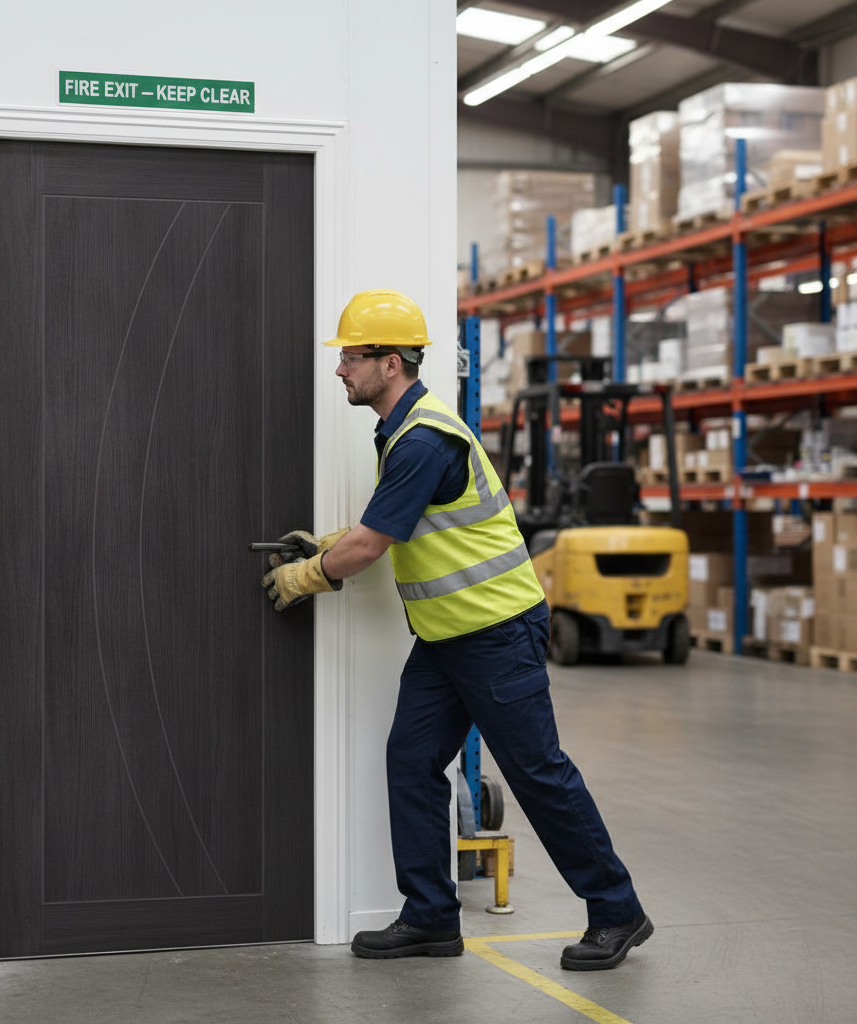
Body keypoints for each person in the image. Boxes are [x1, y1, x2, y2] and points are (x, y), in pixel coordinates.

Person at [260, 290, 652, 970]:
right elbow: (390, 526)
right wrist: (321, 545)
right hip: (447, 639)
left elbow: (372, 547)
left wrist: (309, 574)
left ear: (389, 363)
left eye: (350, 357)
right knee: (411, 763)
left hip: (496, 633)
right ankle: (432, 919)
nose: (340, 370)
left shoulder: (424, 439)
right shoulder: (406, 430)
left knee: (538, 774)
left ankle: (617, 911)